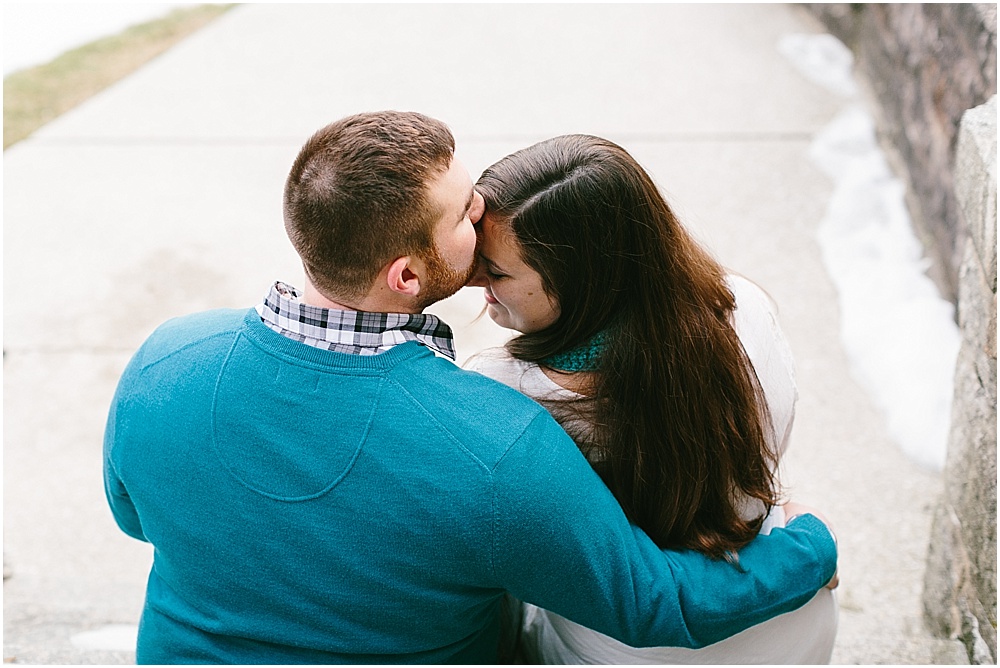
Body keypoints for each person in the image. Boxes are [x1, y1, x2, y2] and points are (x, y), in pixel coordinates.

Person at [103, 111, 837, 664]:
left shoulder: (164, 359)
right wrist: (808, 546)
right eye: (464, 214)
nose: (483, 214)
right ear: (407, 275)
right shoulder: (494, 441)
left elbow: (135, 517)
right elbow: (648, 602)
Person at [466, 133, 839, 663]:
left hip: (624, 651)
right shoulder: (744, 306)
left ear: (580, 283)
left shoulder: (499, 390)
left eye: (497, 270)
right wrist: (810, 542)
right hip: (792, 629)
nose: (474, 279)